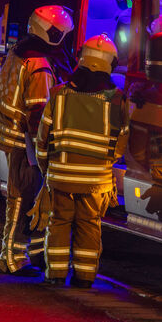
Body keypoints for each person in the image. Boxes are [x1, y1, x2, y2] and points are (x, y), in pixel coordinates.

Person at [35, 34, 130, 289]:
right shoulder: (118, 101)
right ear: (111, 63)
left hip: (61, 178)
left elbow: (42, 140)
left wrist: (47, 171)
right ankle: (85, 277)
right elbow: (120, 144)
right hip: (95, 182)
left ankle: (55, 275)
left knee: (58, 222)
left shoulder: (58, 95)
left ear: (81, 60)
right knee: (89, 225)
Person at [0, 5, 74, 276]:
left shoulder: (19, 52)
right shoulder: (40, 65)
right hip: (25, 144)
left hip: (11, 135)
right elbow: (39, 113)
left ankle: (36, 254)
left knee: (32, 198)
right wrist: (47, 148)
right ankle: (11, 259)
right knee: (22, 199)